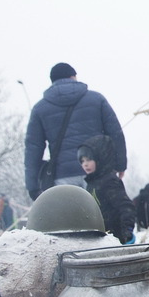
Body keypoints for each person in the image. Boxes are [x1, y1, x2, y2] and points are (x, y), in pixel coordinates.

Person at [24, 63, 127, 200]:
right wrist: (120, 165)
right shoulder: (97, 99)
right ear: (73, 76)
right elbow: (115, 134)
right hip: (97, 173)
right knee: (98, 217)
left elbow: (33, 148)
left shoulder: (39, 109)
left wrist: (32, 186)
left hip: (62, 177)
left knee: (69, 219)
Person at [78, 134, 135, 244]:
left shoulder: (109, 181)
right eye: (82, 161)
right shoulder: (91, 183)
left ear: (100, 158)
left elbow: (126, 207)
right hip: (99, 238)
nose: (85, 164)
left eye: (89, 159)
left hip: (115, 238)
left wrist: (127, 232)